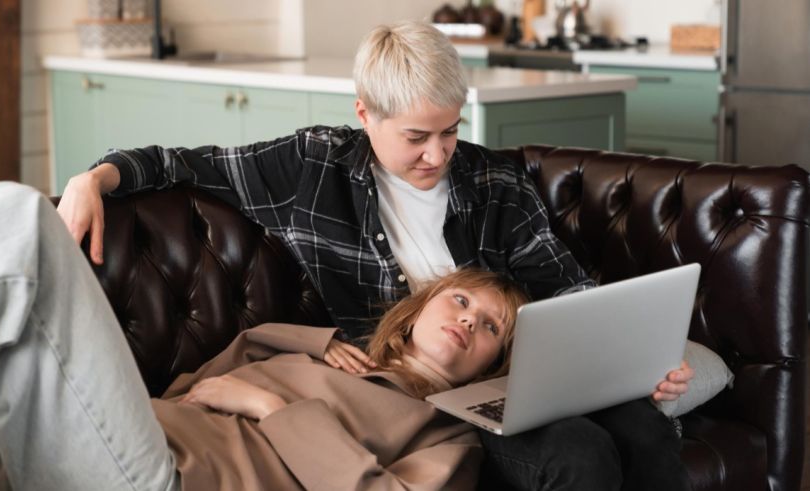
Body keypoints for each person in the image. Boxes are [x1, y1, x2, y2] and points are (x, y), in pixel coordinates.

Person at [56, 21, 694, 490]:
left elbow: (567, 291)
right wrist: (94, 180)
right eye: (416, 137)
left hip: (504, 382)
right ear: (365, 114)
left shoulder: (494, 182)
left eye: (450, 132)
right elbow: (183, 163)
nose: (437, 155)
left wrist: (632, 360)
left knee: (643, 426)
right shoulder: (313, 166)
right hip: (408, 404)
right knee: (578, 454)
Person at [0, 181, 531, 490]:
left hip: (177, 480)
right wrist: (308, 344)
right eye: (461, 301)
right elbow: (190, 390)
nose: (468, 321)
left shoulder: (447, 440)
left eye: (490, 327)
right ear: (414, 313)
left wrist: (269, 407)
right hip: (113, 445)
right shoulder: (324, 355)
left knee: (23, 220)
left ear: (491, 367)